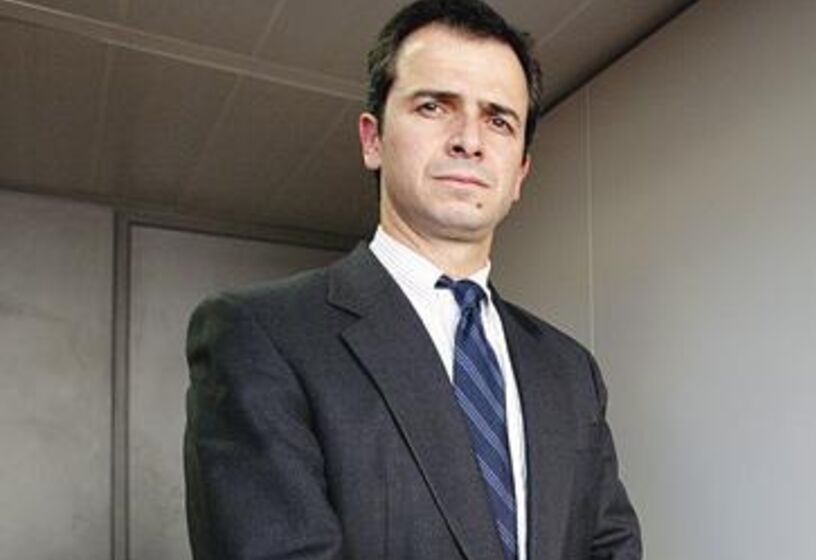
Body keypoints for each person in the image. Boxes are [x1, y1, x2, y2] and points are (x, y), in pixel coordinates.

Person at [183, 0, 641, 558]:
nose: (469, 140)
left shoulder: (570, 371)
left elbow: (611, 547)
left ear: (520, 171)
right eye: (434, 106)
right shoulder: (261, 336)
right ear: (372, 139)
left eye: (499, 120)